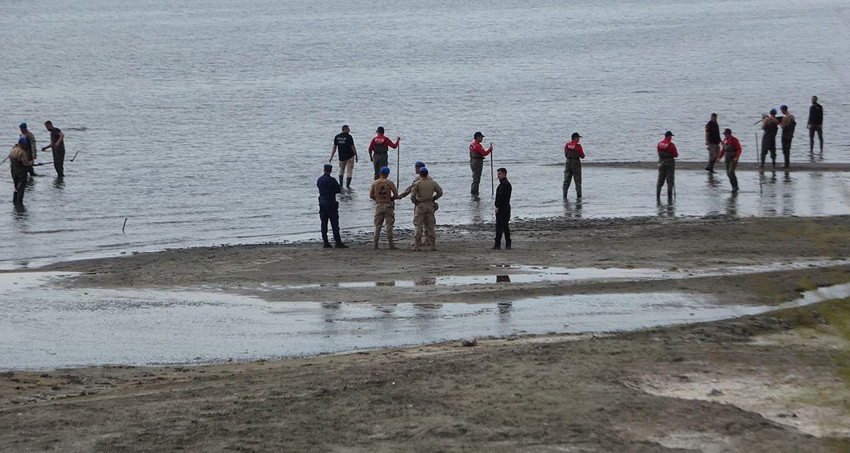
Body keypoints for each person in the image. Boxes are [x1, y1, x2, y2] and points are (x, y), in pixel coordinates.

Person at [397, 161, 433, 246]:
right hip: (430, 203)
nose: (415, 169)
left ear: (418, 168)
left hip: (420, 203)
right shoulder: (430, 179)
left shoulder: (418, 180)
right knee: (428, 222)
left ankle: (418, 240)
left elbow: (410, 190)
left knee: (418, 222)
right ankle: (427, 239)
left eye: (416, 167)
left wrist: (400, 196)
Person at [410, 167, 442, 251]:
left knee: (418, 225)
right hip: (430, 205)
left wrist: (415, 202)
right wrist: (434, 198)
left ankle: (417, 245)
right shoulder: (433, 183)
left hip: (420, 205)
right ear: (427, 174)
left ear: (420, 174)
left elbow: (412, 195)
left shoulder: (417, 183)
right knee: (431, 225)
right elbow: (440, 192)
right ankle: (433, 245)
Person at [316, 164, 348, 249]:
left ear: (324, 170)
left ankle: (325, 242)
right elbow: (338, 190)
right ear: (330, 170)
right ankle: (338, 242)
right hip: (330, 202)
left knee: (324, 223)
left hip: (322, 202)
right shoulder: (332, 180)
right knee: (334, 223)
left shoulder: (319, 180)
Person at [369, 166, 399, 249]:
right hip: (388, 205)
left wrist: (377, 199)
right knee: (389, 225)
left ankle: (375, 244)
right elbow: (396, 195)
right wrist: (391, 199)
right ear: (387, 174)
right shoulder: (390, 183)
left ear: (380, 173)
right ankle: (390, 244)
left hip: (379, 205)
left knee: (378, 225)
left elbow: (371, 195)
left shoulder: (375, 183)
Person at [329, 124, 358, 189]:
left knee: (341, 170)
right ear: (344, 129)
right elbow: (352, 146)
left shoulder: (337, 137)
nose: (349, 130)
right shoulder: (349, 137)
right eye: (348, 129)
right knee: (349, 171)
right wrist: (356, 155)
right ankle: (348, 186)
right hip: (349, 156)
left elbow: (334, 147)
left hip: (341, 157)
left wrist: (331, 157)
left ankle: (341, 185)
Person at [9, 138, 34, 206]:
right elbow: (25, 163)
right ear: (21, 144)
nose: (24, 146)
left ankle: (14, 202)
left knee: (16, 187)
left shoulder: (13, 150)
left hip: (13, 171)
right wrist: (31, 163)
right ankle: (19, 203)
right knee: (21, 188)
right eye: (24, 144)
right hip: (21, 172)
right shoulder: (22, 152)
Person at [468, 131, 493, 196]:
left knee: (474, 177)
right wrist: (490, 150)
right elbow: (484, 153)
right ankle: (474, 192)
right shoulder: (478, 145)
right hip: (477, 163)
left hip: (472, 161)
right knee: (477, 179)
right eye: (481, 137)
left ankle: (474, 192)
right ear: (477, 137)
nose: (482, 139)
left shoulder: (471, 145)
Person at [656, 131, 678, 200]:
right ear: (669, 136)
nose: (671, 138)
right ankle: (670, 197)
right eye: (671, 136)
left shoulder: (660, 144)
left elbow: (658, 152)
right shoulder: (671, 145)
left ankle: (658, 196)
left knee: (660, 179)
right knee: (670, 180)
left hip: (661, 162)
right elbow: (675, 154)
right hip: (669, 163)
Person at [494, 167, 512, 249]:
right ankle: (508, 243)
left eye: (499, 173)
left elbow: (500, 197)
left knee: (499, 227)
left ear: (504, 174)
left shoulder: (503, 185)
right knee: (505, 226)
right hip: (507, 207)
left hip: (502, 208)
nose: (498, 175)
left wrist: (497, 206)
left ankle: (497, 244)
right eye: (498, 174)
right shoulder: (507, 184)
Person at [563, 132, 584, 199]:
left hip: (568, 162)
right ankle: (579, 197)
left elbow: (566, 154)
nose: (579, 139)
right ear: (575, 138)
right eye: (578, 138)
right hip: (576, 162)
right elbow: (582, 156)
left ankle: (564, 196)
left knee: (566, 180)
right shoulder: (578, 146)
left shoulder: (567, 145)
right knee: (577, 180)